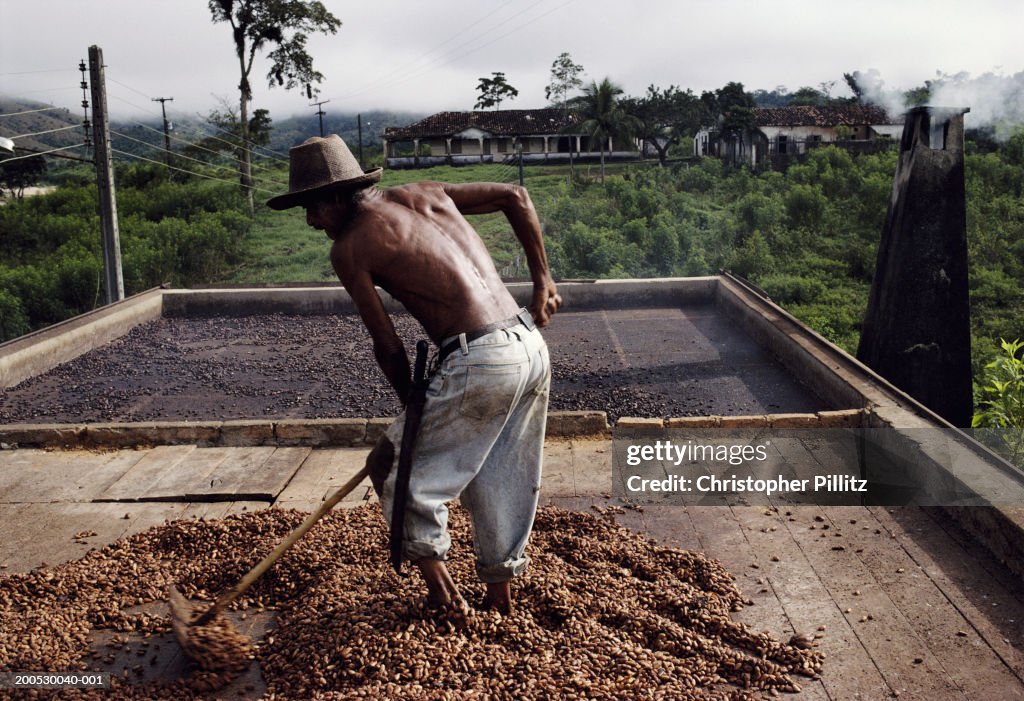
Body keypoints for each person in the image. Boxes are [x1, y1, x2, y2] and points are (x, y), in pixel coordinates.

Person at [267, 135, 561, 614]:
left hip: (481, 359)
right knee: (499, 472)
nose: (310, 220)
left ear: (338, 196)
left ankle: (443, 596)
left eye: (312, 207)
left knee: (392, 467)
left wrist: (412, 410)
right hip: (529, 346)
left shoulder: (350, 247)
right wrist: (544, 279)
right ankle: (499, 596)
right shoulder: (425, 193)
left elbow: (388, 346)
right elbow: (516, 196)